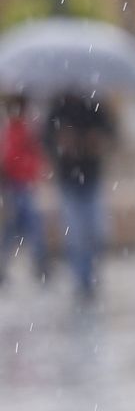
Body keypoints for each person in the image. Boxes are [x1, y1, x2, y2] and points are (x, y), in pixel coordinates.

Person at [43, 92, 116, 302]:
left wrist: (97, 139)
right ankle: (82, 279)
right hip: (68, 180)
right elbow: (46, 140)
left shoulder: (95, 107)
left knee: (96, 231)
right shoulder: (57, 109)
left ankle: (91, 275)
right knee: (75, 233)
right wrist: (61, 144)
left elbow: (111, 133)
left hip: (91, 177)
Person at [1, 94, 50, 286]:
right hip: (17, 184)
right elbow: (11, 157)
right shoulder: (14, 129)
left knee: (17, 228)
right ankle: (39, 264)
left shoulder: (25, 128)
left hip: (23, 183)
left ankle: (37, 264)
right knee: (27, 227)